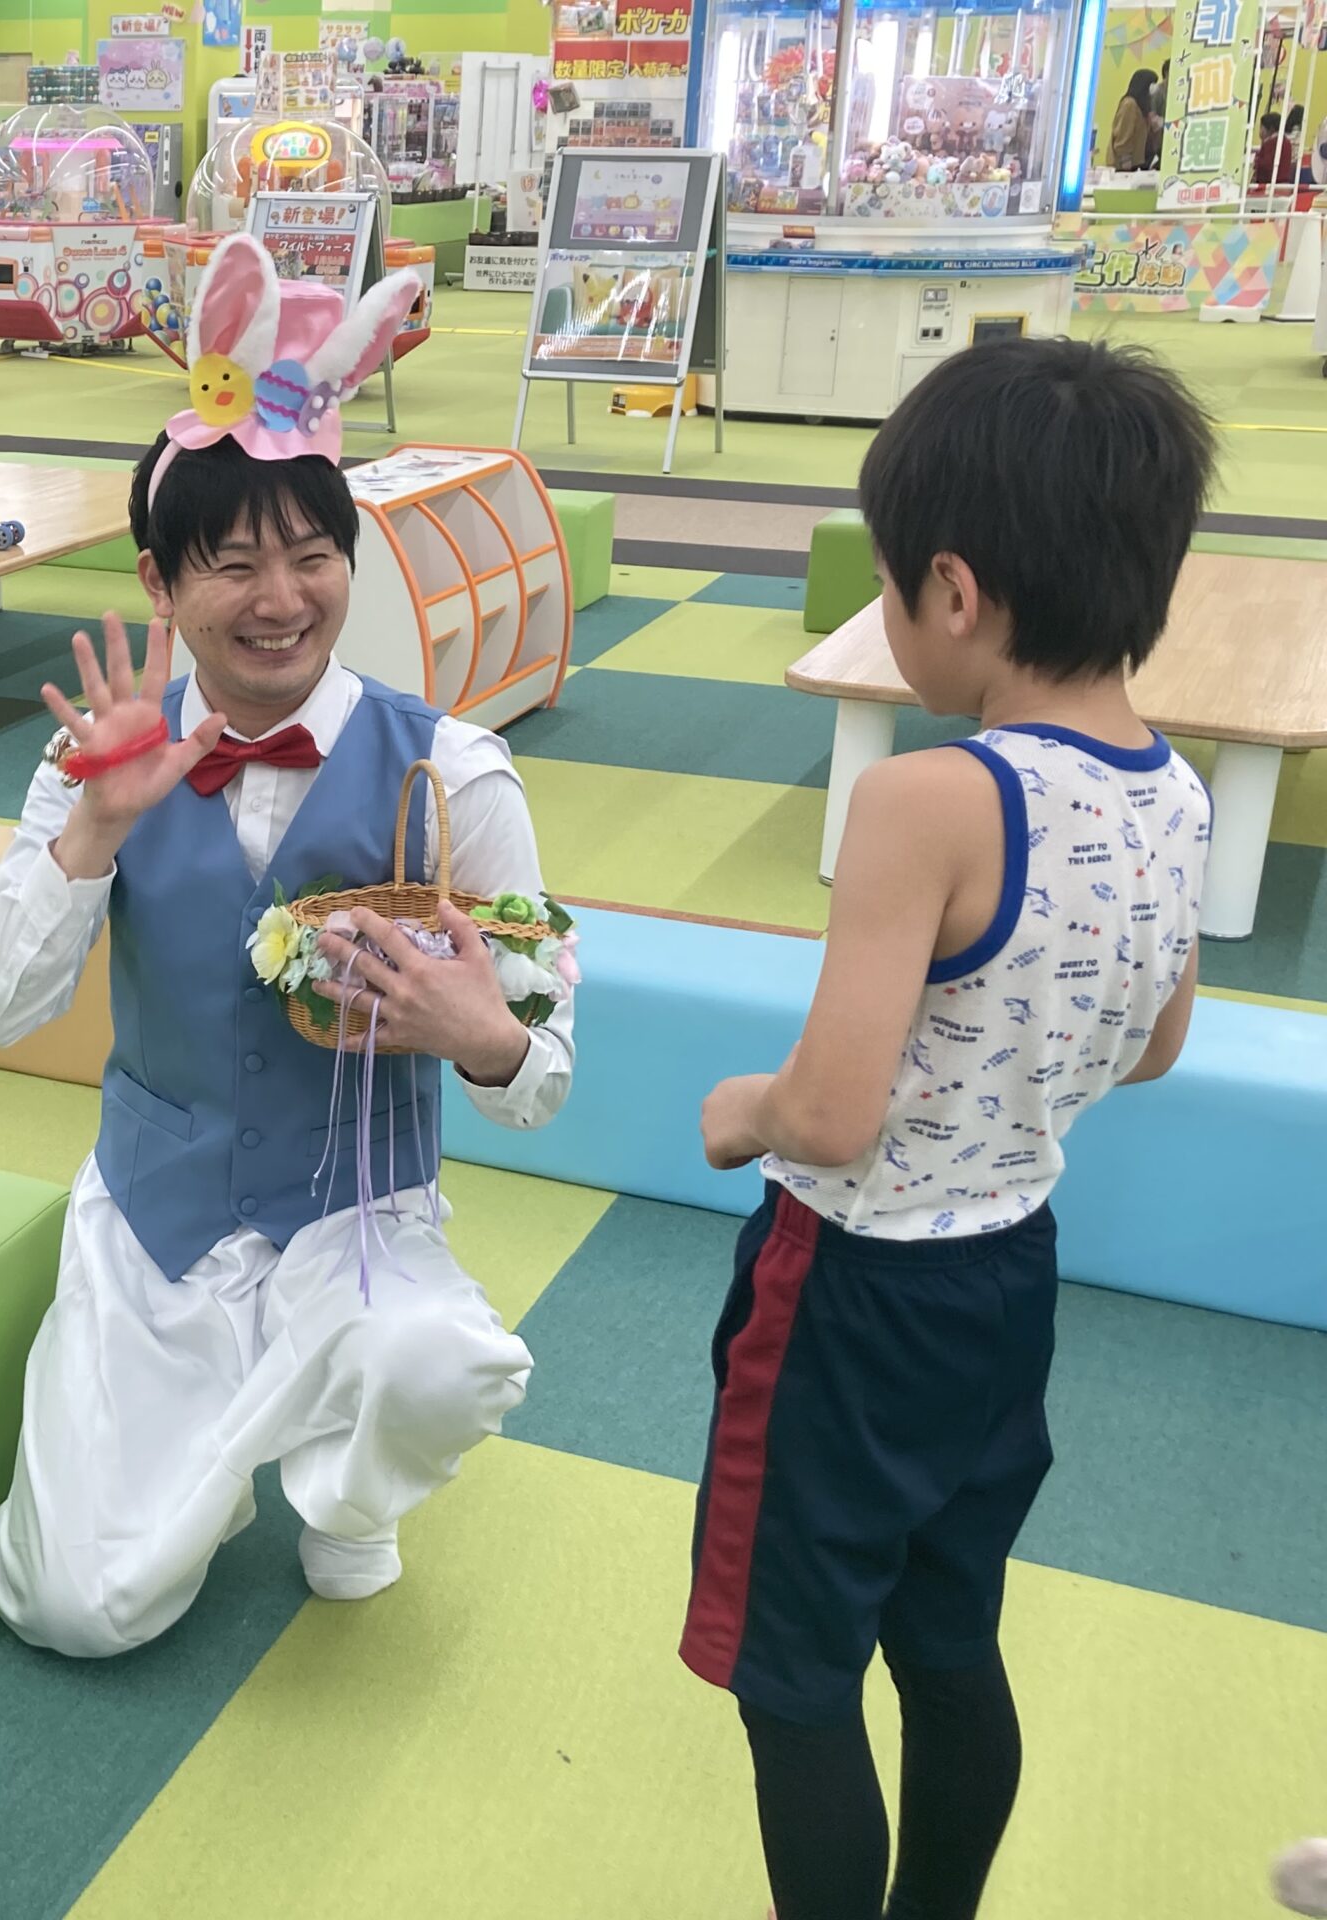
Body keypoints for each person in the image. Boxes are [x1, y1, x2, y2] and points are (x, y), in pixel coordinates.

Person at [0, 235, 568, 1660]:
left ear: (351, 563)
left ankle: (348, 1488)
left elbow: (543, 1069)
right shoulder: (92, 768)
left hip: (355, 1226)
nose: (279, 598)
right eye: (232, 564)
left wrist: (483, 1038)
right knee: (77, 1611)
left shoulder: (453, 775)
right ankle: (210, 1441)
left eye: (311, 556)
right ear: (159, 581)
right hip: (157, 1217)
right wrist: (92, 828)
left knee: (445, 1365)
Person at [688, 337, 1217, 1920]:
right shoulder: (1175, 794)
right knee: (947, 1639)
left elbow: (833, 1113)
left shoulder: (930, 801)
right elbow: (1159, 1045)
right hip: (1007, 1277)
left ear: (957, 590)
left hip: (851, 1299)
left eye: (889, 588)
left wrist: (741, 1114)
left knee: (793, 1677)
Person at [1108, 68, 1157, 171]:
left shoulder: (1142, 106)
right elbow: (1123, 135)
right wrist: (1125, 161)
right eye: (1152, 84)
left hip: (1137, 162)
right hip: (1124, 164)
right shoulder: (1129, 104)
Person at [1253, 110, 1298, 188]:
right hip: (1284, 183)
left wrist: (1255, 162)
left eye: (1261, 128)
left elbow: (1266, 166)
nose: (1260, 131)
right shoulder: (1286, 141)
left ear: (1271, 129)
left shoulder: (1270, 143)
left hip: (1271, 185)